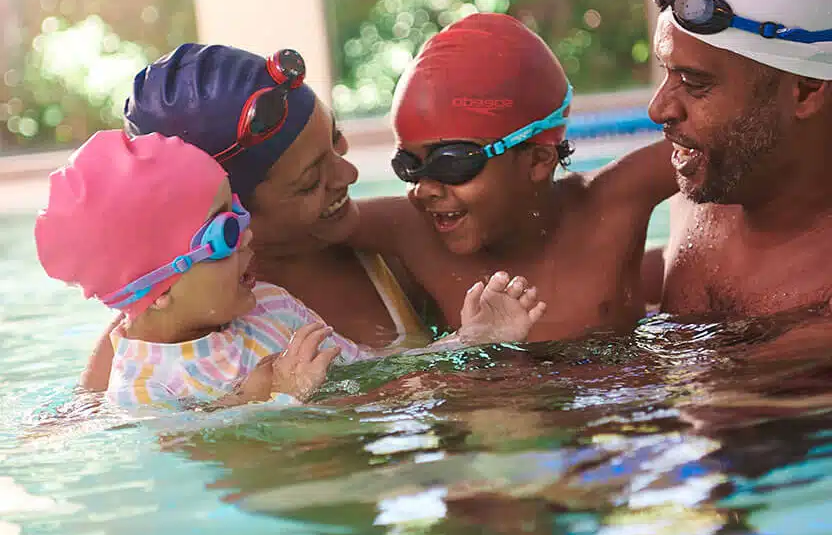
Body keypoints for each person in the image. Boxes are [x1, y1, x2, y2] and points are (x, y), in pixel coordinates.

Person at [40, 130, 546, 411]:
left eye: (239, 211)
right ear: (159, 289)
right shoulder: (141, 389)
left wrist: (467, 342)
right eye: (225, 233)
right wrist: (263, 397)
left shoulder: (271, 305)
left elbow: (372, 370)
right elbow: (184, 455)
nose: (248, 235)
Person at [79, 44, 437, 392]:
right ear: (230, 210)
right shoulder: (135, 355)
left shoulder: (396, 236)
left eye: (336, 139)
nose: (349, 174)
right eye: (310, 181)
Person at [348, 12, 677, 343]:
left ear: (538, 160)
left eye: (452, 163)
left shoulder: (612, 204)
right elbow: (319, 216)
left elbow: (704, 144)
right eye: (407, 165)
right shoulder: (410, 229)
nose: (424, 189)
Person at [646, 0, 832, 317]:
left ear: (805, 91)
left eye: (694, 83)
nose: (658, 109)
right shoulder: (713, 178)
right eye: (667, 72)